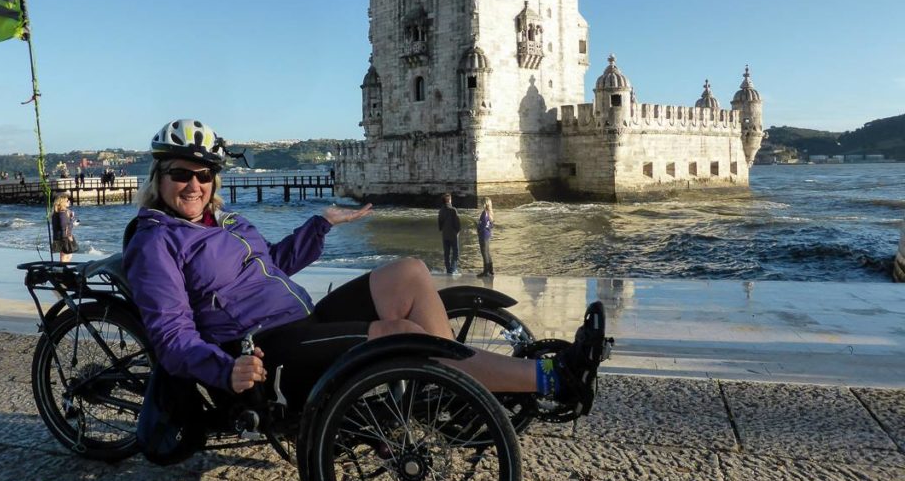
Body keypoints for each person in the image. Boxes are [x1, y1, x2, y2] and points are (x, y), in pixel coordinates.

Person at [123, 119, 609, 417]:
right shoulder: (155, 240)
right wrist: (224, 368)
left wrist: (321, 223)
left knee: (411, 270)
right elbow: (170, 335)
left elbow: (272, 265)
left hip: (302, 318)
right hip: (264, 347)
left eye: (203, 174)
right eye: (180, 174)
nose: (193, 184)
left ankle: (450, 389)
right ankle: (550, 377)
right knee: (399, 332)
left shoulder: (226, 220)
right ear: (158, 178)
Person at [437, 193, 461, 275]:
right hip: (453, 234)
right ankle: (453, 269)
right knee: (455, 252)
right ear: (449, 200)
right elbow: (457, 223)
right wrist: (458, 231)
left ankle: (448, 269)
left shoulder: (441, 210)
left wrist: (442, 229)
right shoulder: (453, 210)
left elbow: (440, 223)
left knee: (446, 253)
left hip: (445, 234)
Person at [51, 192, 77, 262]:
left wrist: (71, 218)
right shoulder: (62, 213)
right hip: (64, 237)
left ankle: (63, 269)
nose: (69, 202)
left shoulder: (57, 212)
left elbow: (62, 225)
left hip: (60, 236)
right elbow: (64, 226)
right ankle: (63, 269)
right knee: (66, 255)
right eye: (67, 201)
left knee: (67, 255)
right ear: (62, 202)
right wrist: (72, 222)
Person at [477, 197, 494, 278]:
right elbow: (491, 225)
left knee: (484, 253)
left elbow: (482, 226)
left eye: (481, 203)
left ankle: (486, 272)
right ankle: (490, 270)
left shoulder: (484, 213)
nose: (480, 204)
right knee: (487, 252)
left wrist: (478, 228)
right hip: (487, 234)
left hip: (483, 235)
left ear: (484, 204)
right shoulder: (489, 213)